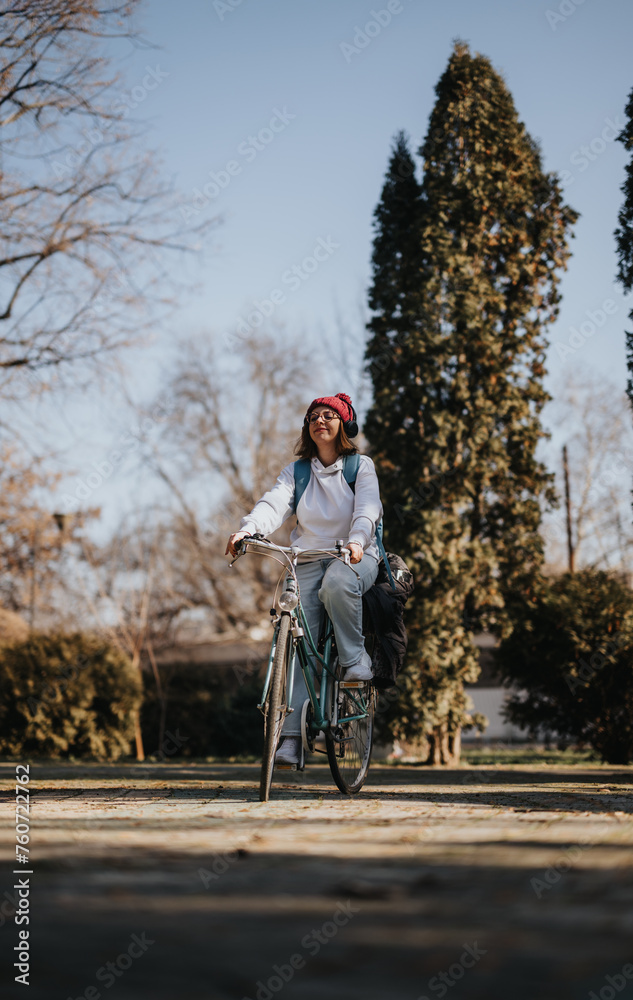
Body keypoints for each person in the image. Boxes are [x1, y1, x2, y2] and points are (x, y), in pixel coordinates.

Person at [225, 392, 383, 766]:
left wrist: (358, 542)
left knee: (337, 584)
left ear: (343, 425)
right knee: (299, 641)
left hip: (354, 554)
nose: (320, 420)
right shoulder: (297, 472)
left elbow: (367, 509)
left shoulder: (360, 467)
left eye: (329, 415)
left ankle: (355, 658)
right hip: (308, 557)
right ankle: (291, 738)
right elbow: (273, 503)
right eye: (313, 416)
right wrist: (247, 530)